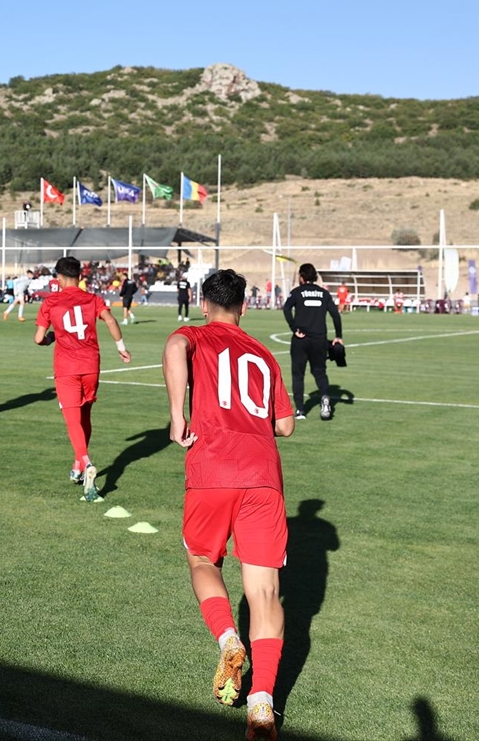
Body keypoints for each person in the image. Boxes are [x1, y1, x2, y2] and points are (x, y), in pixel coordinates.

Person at [161, 268, 295, 741]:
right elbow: (285, 426)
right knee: (265, 593)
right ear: (244, 306)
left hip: (212, 467)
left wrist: (177, 414)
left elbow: (175, 348)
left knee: (202, 558)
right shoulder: (264, 353)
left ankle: (227, 638)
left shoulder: (194, 334)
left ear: (204, 304)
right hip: (263, 476)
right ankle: (261, 704)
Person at [34, 256, 130, 501]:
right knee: (85, 414)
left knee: (71, 419)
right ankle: (78, 465)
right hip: (91, 365)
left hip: (67, 367)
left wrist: (50, 339)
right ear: (80, 276)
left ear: (58, 278)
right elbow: (110, 319)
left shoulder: (51, 302)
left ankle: (86, 464)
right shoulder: (93, 299)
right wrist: (120, 347)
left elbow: (38, 338)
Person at [282, 263, 343, 421]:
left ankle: (301, 411)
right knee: (319, 372)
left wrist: (294, 328)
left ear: (301, 277)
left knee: (298, 375)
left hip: (300, 340)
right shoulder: (324, 294)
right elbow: (335, 315)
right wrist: (338, 336)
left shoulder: (297, 292)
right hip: (319, 340)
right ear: (315, 277)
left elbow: (286, 308)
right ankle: (325, 398)